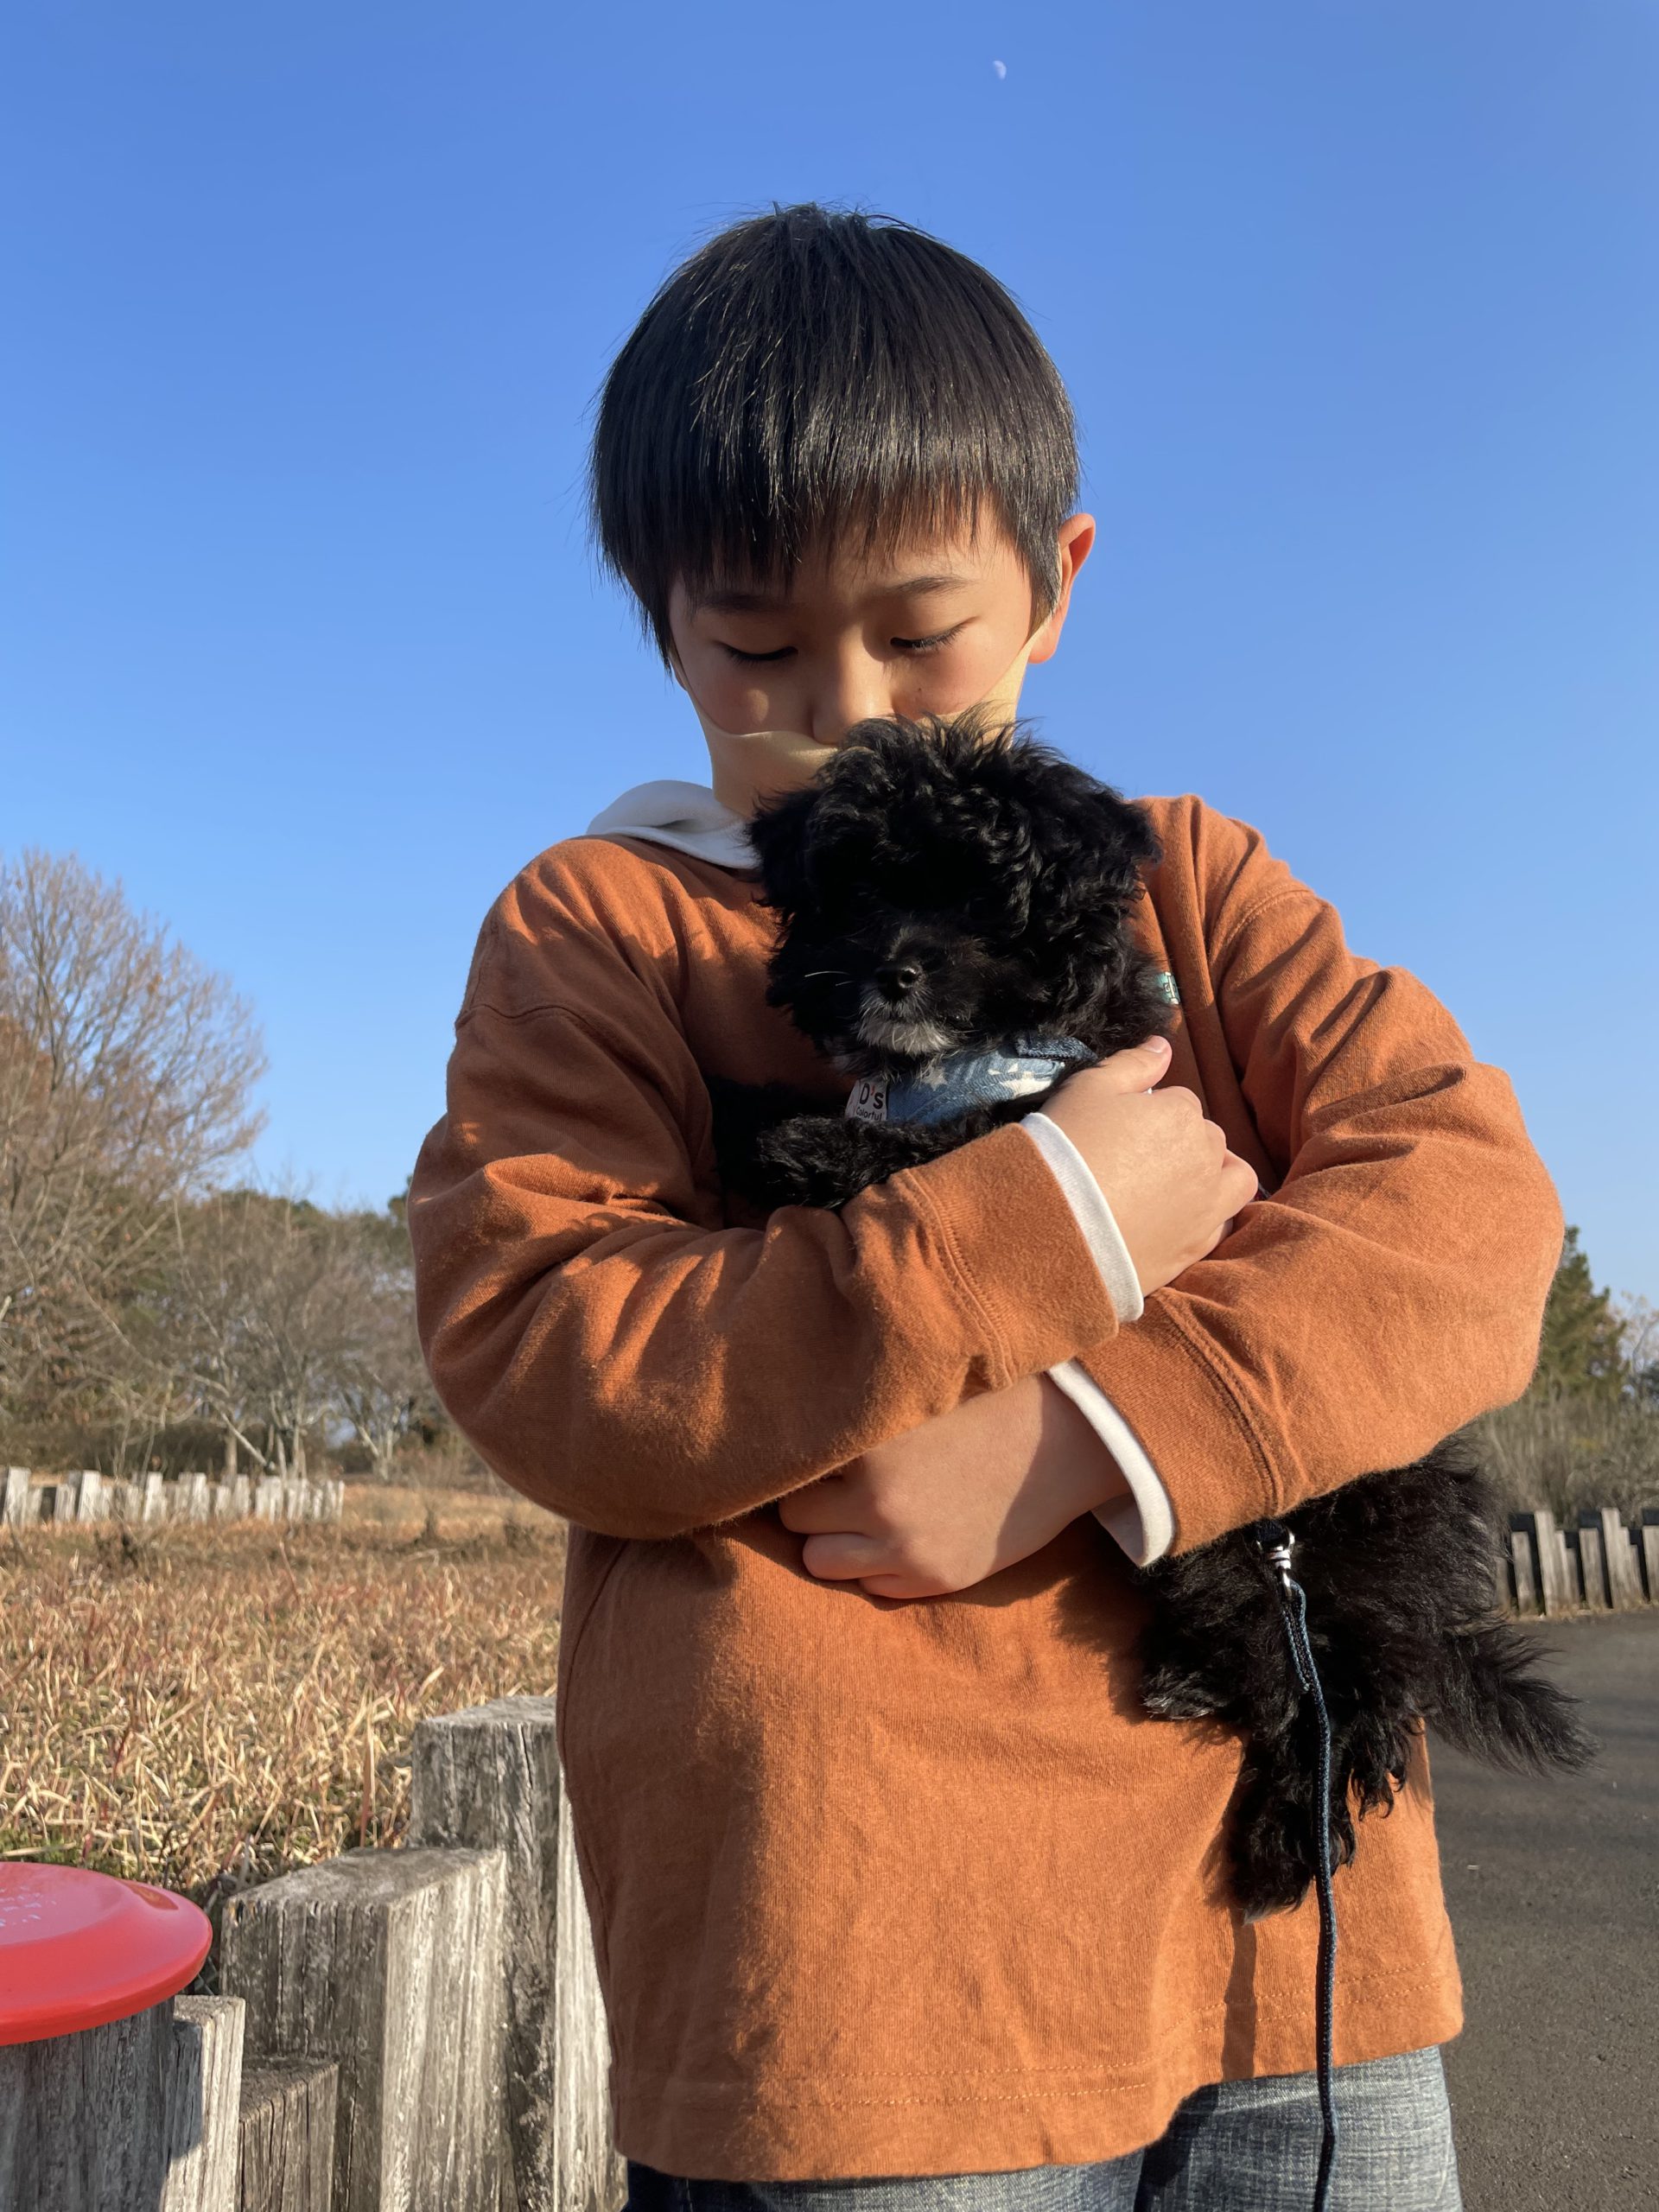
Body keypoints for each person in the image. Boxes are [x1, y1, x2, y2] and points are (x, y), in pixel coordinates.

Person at [407, 205, 1561, 2210]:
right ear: (663, 625)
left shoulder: (1177, 879)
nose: (847, 705)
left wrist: (1082, 1434)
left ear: (1057, 584)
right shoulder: (604, 924)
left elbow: (1464, 1196)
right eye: (757, 646)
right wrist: (1049, 1216)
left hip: (1291, 1928)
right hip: (865, 1974)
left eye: (918, 632)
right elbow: (549, 1347)